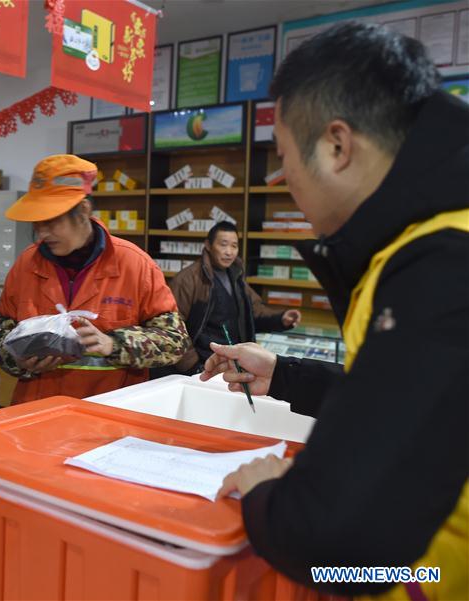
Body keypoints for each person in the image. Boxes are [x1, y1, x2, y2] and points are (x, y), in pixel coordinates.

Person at [200, 23, 468, 600]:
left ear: (338, 146)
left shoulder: (440, 262)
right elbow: (422, 405)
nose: (285, 179)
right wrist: (285, 375)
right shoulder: (433, 237)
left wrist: (270, 495)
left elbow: (334, 544)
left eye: (285, 157)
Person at [0, 154, 190, 404]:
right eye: (37, 223)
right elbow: (1, 330)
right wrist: (16, 360)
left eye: (51, 221)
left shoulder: (135, 264)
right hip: (36, 416)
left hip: (110, 418)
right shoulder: (26, 265)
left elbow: (175, 341)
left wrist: (114, 344)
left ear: (83, 210)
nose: (42, 232)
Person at [169, 221, 300, 373]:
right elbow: (174, 327)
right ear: (208, 245)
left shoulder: (235, 275)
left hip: (234, 363)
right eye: (223, 245)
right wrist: (193, 366)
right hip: (203, 365)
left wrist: (281, 319)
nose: (229, 252)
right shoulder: (188, 279)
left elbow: (255, 310)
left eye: (234, 246)